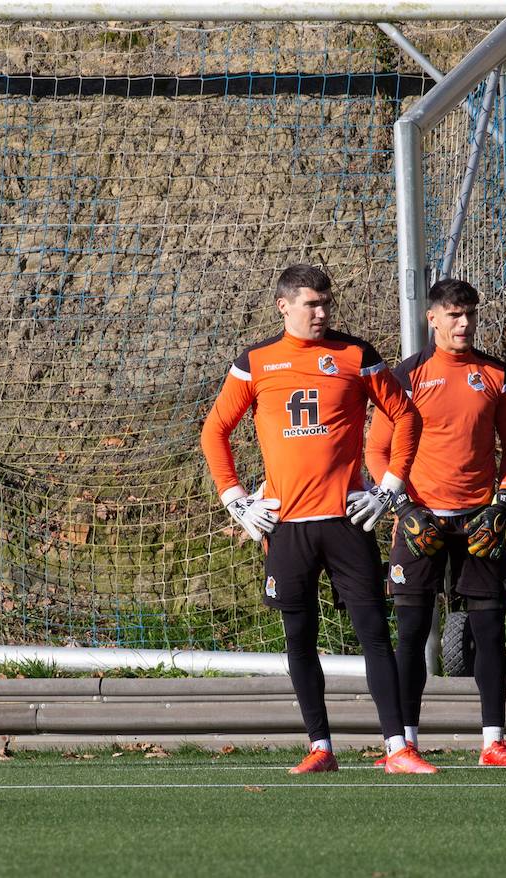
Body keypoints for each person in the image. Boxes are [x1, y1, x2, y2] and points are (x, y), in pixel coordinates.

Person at [201, 264, 434, 774]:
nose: (323, 313)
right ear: (283, 306)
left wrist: (391, 488)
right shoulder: (255, 362)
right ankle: (320, 747)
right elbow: (214, 431)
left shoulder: (355, 354)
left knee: (373, 633)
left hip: (347, 520)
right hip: (286, 527)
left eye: (327, 303)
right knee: (298, 637)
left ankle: (398, 749)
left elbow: (406, 416)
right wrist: (236, 500)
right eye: (312, 304)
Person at [366, 277, 506, 767]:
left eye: (471, 314)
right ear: (431, 318)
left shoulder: (497, 374)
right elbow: (376, 451)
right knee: (412, 632)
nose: (464, 323)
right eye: (454, 315)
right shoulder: (405, 375)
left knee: (491, 630)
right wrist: (403, 507)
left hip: (479, 520)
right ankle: (404, 743)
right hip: (419, 522)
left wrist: (502, 502)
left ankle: (493, 743)